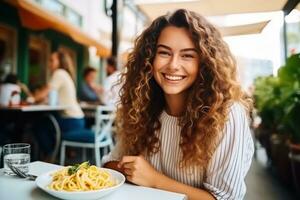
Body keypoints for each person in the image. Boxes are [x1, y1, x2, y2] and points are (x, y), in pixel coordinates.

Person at [103, 9, 254, 200]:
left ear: (205, 63)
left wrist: (154, 180)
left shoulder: (227, 114)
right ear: (149, 59)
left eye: (187, 55)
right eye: (164, 53)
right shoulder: (142, 108)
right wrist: (127, 168)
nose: (173, 65)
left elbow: (225, 198)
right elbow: (110, 164)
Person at [33, 49, 85, 159]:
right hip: (77, 119)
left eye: (52, 60)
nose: (49, 63)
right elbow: (52, 96)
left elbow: (45, 92)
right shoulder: (65, 74)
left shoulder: (59, 73)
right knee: (45, 122)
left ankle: (50, 156)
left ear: (60, 61)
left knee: (38, 125)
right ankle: (59, 153)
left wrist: (31, 98)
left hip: (71, 121)